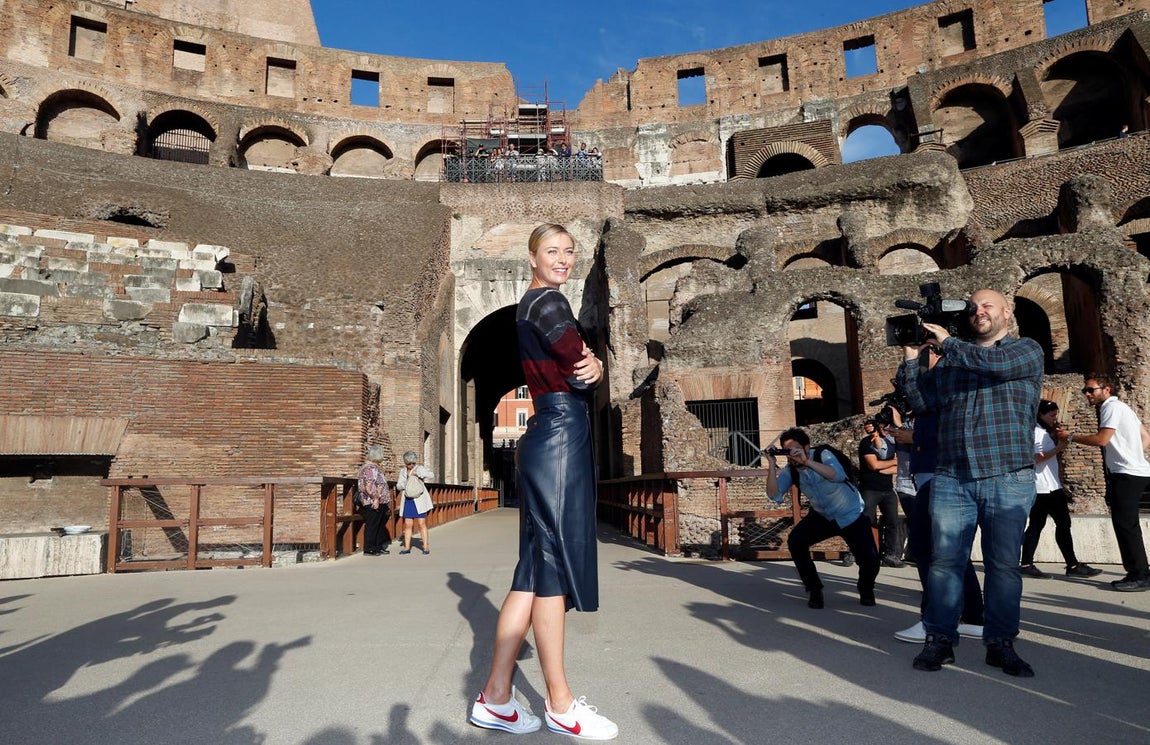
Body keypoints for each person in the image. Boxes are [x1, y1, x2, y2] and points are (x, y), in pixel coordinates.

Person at [470, 223, 618, 740]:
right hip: (560, 433)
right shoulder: (549, 303)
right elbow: (579, 367)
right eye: (551, 251)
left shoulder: (528, 305)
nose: (562, 259)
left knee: (532, 569)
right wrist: (595, 364)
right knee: (551, 565)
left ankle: (495, 698)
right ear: (531, 258)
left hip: (545, 432)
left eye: (568, 252)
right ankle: (561, 705)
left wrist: (589, 363)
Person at [900, 289, 1043, 677]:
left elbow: (993, 366)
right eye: (974, 308)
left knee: (1003, 567)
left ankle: (1000, 643)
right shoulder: (952, 362)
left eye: (988, 306)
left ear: (1007, 314)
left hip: (1007, 476)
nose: (979, 312)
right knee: (945, 564)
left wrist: (947, 343)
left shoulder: (1025, 351)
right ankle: (940, 640)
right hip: (952, 478)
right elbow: (921, 401)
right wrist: (913, 357)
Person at [892, 347, 984, 644]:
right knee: (952, 553)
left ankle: (932, 620)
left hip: (940, 475)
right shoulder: (938, 382)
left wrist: (913, 436)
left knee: (926, 549)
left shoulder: (947, 381)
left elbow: (955, 429)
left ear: (936, 352)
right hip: (933, 475)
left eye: (923, 351)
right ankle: (974, 617)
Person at [765, 427, 881, 609]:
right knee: (796, 541)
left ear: (807, 447)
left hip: (850, 513)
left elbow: (837, 475)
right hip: (822, 515)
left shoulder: (822, 454)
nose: (793, 455)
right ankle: (814, 589)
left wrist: (807, 462)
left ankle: (866, 588)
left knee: (870, 559)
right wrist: (771, 465)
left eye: (796, 449)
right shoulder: (792, 469)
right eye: (788, 451)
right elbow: (774, 495)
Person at [1064, 374, 1150, 591]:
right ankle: (1138, 572)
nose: (1087, 394)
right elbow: (1146, 438)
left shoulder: (1110, 407)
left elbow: (1102, 440)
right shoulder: (1124, 408)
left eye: (1091, 390)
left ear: (1106, 389)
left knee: (1126, 526)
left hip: (1126, 474)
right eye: (1085, 390)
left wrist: (1071, 436)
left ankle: (1139, 575)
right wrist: (1133, 454)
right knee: (1128, 525)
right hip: (1137, 471)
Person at [1019, 399, 1102, 579]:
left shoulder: (1044, 432)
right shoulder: (1036, 433)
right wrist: (1060, 448)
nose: (1054, 418)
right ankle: (1069, 565)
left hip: (1050, 486)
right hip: (1044, 488)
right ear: (1040, 415)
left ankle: (1031, 563)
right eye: (1051, 415)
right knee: (1054, 524)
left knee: (1045, 525)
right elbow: (1036, 458)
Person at [858, 419, 904, 567]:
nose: (886, 428)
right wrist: (893, 462)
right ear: (877, 427)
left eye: (888, 426)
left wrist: (883, 467)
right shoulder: (867, 443)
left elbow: (899, 466)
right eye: (883, 426)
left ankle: (890, 555)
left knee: (892, 522)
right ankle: (861, 552)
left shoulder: (892, 443)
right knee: (866, 522)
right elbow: (873, 464)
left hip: (888, 490)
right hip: (870, 489)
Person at [396, 451, 434, 555]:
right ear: (405, 463)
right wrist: (406, 482)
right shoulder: (403, 472)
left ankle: (425, 546)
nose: (411, 465)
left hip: (419, 500)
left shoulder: (419, 468)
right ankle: (406, 547)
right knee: (408, 524)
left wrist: (419, 474)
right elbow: (398, 486)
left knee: (421, 523)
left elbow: (431, 475)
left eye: (413, 463)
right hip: (408, 500)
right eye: (409, 463)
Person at [356, 445, 391, 555]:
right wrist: (375, 499)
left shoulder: (373, 467)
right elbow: (368, 486)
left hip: (380, 501)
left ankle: (378, 546)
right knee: (373, 524)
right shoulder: (370, 468)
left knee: (379, 524)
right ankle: (369, 548)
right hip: (372, 501)